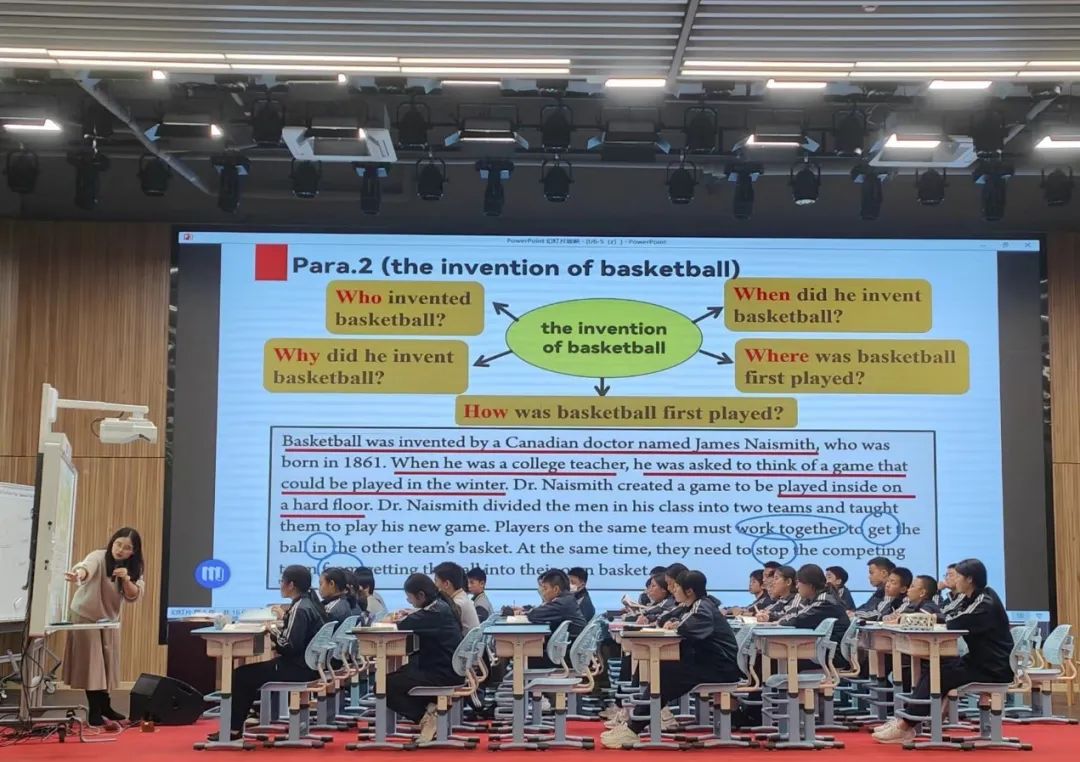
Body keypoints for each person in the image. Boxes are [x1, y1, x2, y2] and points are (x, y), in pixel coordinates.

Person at [874, 559, 1014, 744]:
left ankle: (906, 725)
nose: (953, 581)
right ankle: (906, 721)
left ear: (970, 579)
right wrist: (929, 618)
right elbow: (946, 614)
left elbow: (955, 621)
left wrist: (926, 618)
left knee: (937, 675)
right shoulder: (968, 597)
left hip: (992, 666)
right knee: (933, 668)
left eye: (957, 576)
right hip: (977, 660)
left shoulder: (984, 601)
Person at [601, 570, 741, 749]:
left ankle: (634, 727)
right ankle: (634, 725)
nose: (673, 590)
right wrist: (674, 622)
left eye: (676, 587)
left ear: (689, 591)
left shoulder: (702, 606)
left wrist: (677, 625)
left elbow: (688, 627)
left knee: (665, 675)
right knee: (663, 672)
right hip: (708, 663)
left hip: (721, 668)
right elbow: (671, 619)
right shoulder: (691, 605)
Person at [220, 565, 327, 740]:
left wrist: (272, 631)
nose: (280, 585)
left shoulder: (300, 608)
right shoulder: (309, 604)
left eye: (282, 581)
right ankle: (236, 727)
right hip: (309, 666)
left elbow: (289, 646)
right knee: (247, 674)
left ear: (291, 585)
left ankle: (232, 730)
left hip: (298, 668)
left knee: (241, 676)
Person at [62, 527, 145, 727]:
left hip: (108, 620)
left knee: (106, 664)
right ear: (112, 542)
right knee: (92, 665)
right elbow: (85, 568)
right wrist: (78, 575)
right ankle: (95, 711)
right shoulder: (98, 556)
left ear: (133, 552)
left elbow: (134, 595)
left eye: (127, 548)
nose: (120, 550)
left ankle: (105, 706)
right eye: (118, 544)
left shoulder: (134, 568)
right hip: (85, 616)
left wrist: (126, 578)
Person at [387, 573, 464, 744]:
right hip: (447, 669)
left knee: (384, 685)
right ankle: (430, 710)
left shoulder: (434, 613)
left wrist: (392, 620)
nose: (409, 602)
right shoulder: (441, 606)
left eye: (409, 598)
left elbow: (402, 625)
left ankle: (426, 718)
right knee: (399, 675)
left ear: (421, 595)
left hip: (441, 673)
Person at [776, 564, 851, 668]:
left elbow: (797, 620)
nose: (797, 587)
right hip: (825, 651)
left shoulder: (824, 602)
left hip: (832, 655)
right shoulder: (819, 599)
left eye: (799, 583)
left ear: (809, 584)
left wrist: (779, 621)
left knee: (781, 659)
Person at [520, 569, 586, 666]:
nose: (543, 592)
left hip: (564, 657)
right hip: (566, 652)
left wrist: (545, 602)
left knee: (521, 654)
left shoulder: (561, 603)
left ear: (556, 589)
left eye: (545, 588)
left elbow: (533, 615)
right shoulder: (567, 599)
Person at [433, 561, 480, 634]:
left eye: (436, 581)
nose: (434, 585)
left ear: (446, 584)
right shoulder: (462, 597)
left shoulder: (457, 604)